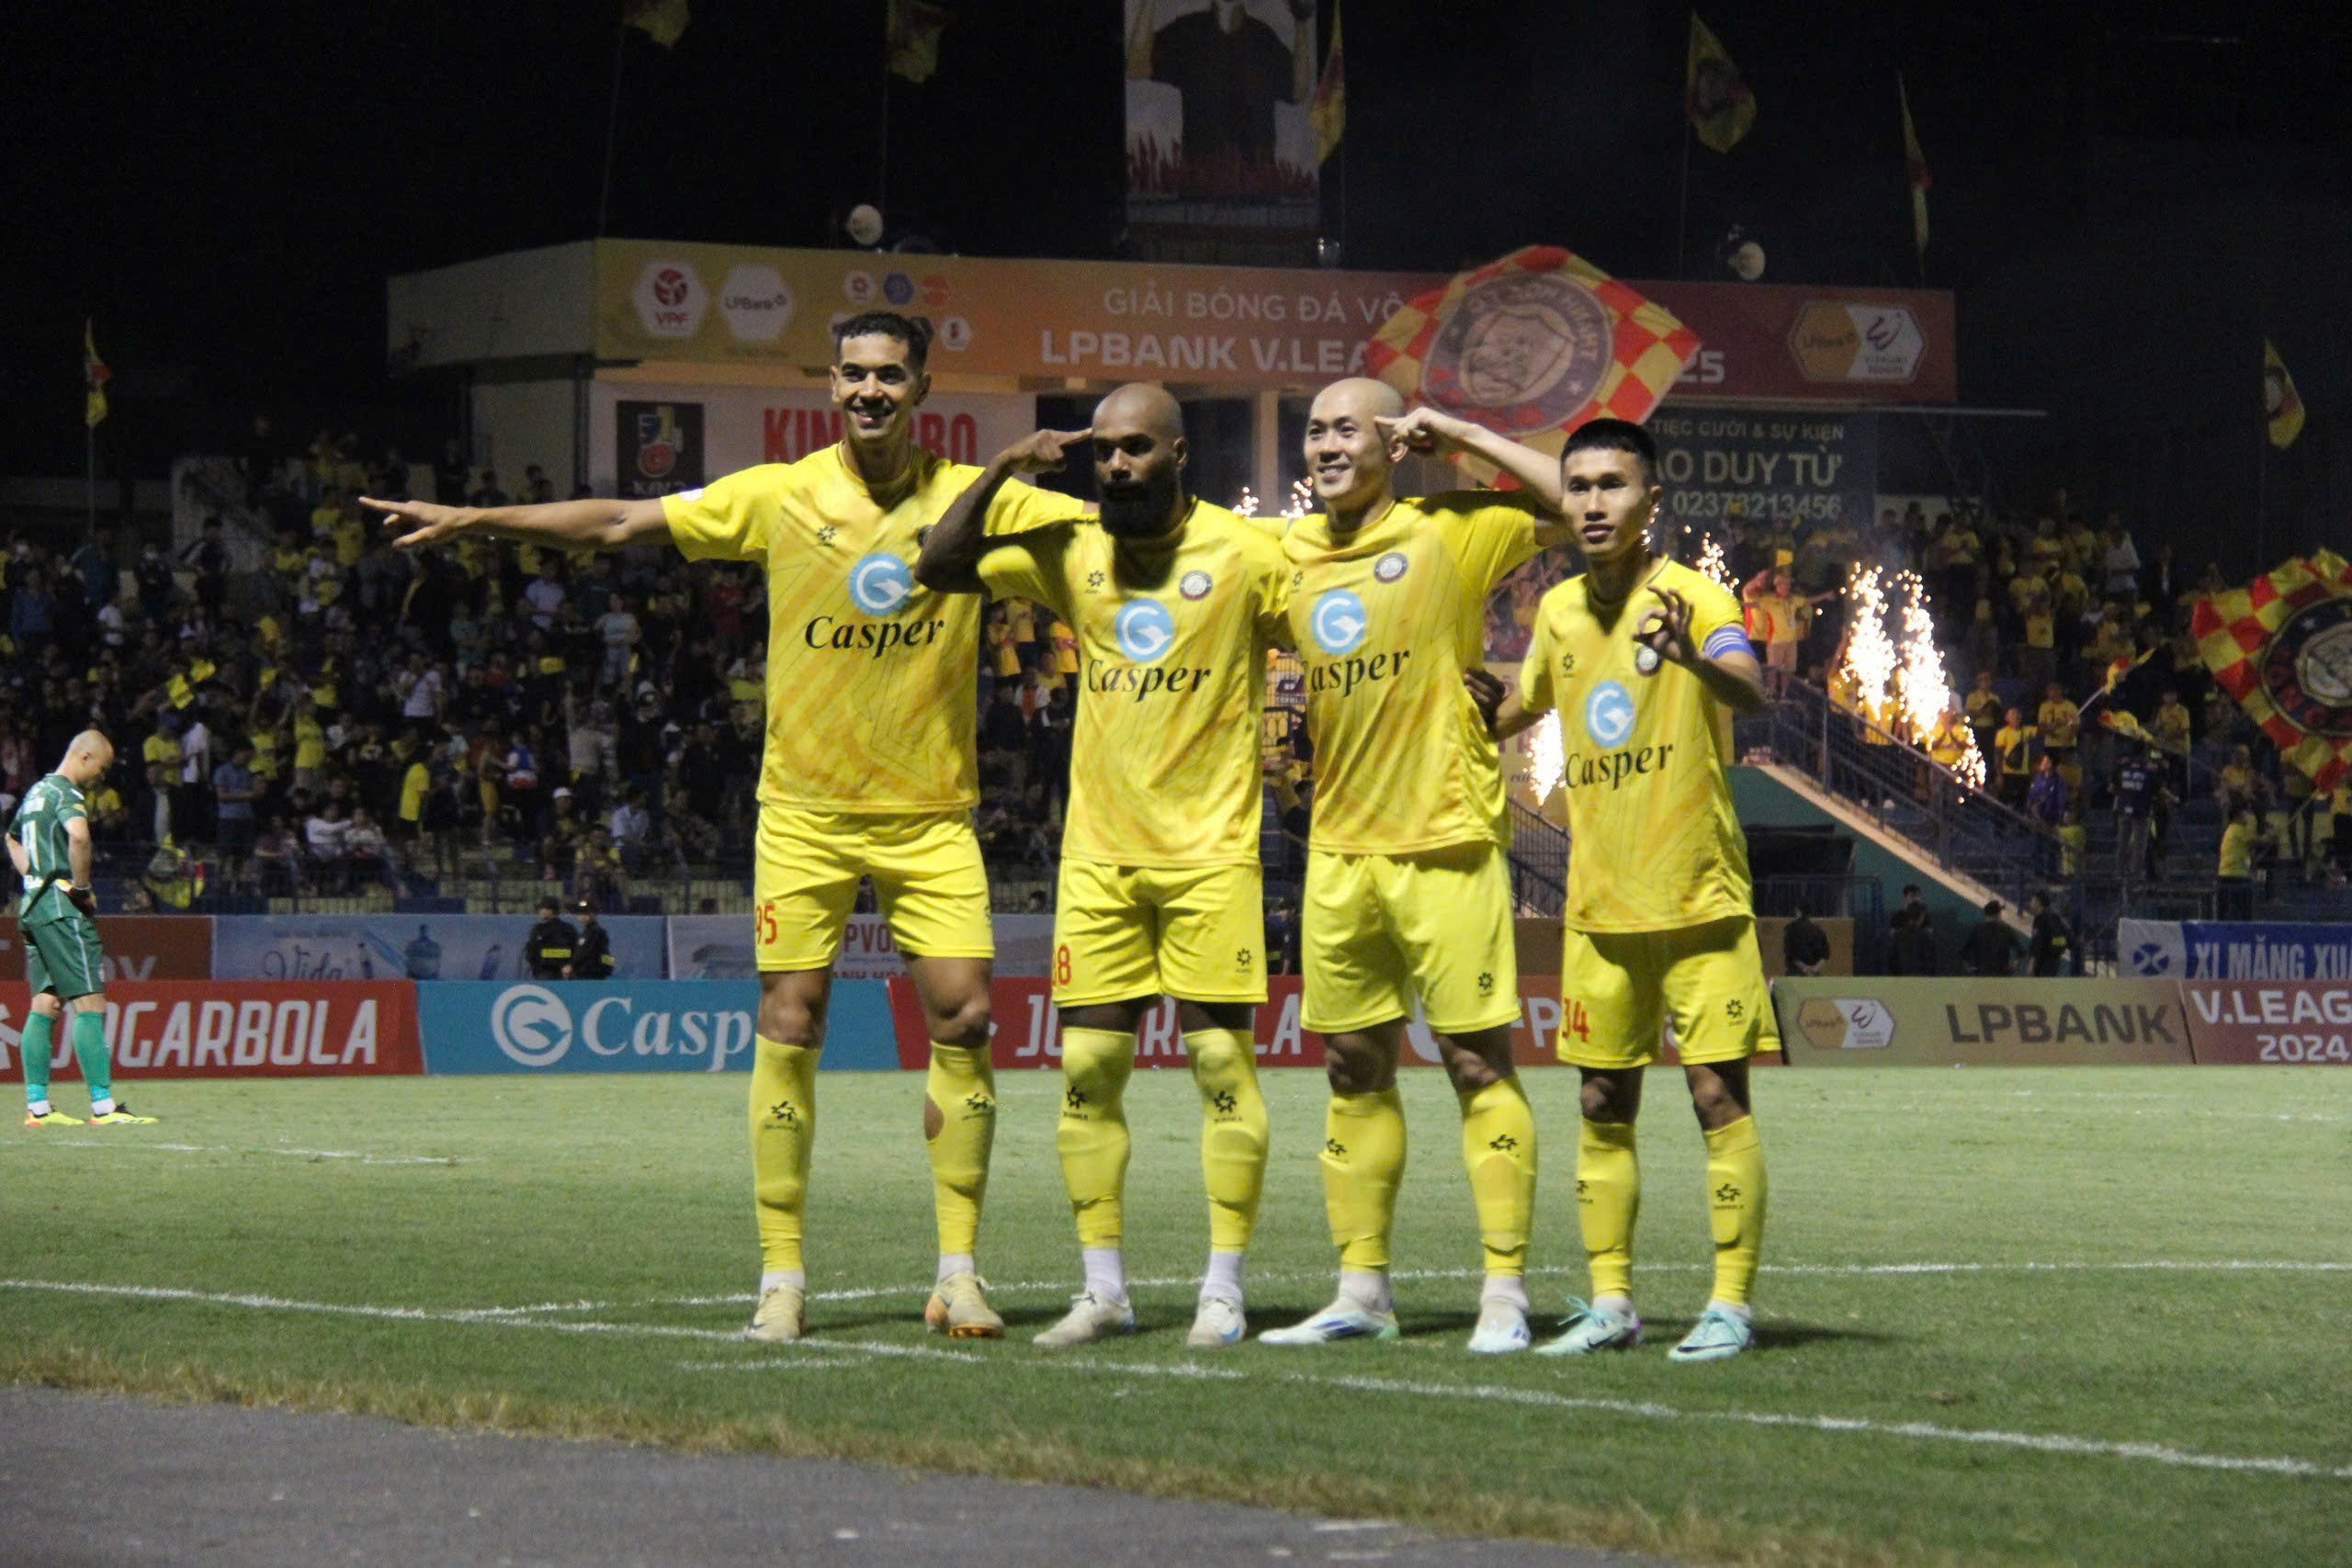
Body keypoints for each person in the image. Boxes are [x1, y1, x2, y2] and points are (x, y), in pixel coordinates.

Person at [366, 310, 1080, 1345]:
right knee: (790, 1023)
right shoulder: (782, 494)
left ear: (923, 387)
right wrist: (479, 520)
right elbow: (622, 521)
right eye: (854, 373)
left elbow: (1114, 534)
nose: (870, 390)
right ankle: (782, 1279)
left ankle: (958, 1273)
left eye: (890, 375)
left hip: (929, 816)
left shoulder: (980, 502)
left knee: (967, 1020)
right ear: (830, 383)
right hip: (804, 815)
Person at [918, 384, 1291, 1350]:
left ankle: (1223, 1289)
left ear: (1178, 454)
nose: (1117, 465)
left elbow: (1346, 629)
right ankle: (1104, 1291)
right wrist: (1004, 466)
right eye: (1105, 452)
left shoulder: (1249, 553)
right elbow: (939, 563)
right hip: (1098, 859)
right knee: (1086, 1071)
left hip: (1211, 855)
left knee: (1221, 1065)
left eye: (1135, 448)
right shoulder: (1071, 548)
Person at [1242, 381, 1573, 1354]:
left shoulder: (1448, 530)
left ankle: (1504, 1292)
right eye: (1314, 431)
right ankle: (1361, 1291)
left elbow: (1576, 499)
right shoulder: (1286, 551)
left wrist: (1462, 433)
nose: (1324, 446)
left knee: (1476, 1063)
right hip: (1340, 850)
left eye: (1346, 429)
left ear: (1392, 443)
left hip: (1445, 840)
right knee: (1352, 1068)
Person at [1490, 417, 1772, 1363]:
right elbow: (1521, 704)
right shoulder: (1557, 611)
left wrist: (1694, 657)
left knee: (1715, 1098)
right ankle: (1611, 1303)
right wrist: (1462, 706)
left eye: (1612, 485)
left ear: (1652, 499)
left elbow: (1750, 685)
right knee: (1601, 1102)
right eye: (1578, 487)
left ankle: (1729, 1305)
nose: (1593, 503)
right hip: (1600, 906)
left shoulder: (1696, 596)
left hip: (1697, 899)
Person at [6, 732, 157, 1127]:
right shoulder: (66, 793)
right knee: (90, 1002)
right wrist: (81, 888)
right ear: (84, 756)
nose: (99, 778)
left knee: (45, 1003)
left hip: (33, 908)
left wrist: (34, 877)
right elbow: (79, 835)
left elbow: (11, 837)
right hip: (62, 911)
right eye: (100, 769)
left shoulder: (36, 793)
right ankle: (103, 1107)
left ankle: (38, 1108)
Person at [1961, 900, 2025, 976]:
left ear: (1986, 914)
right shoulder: (2006, 930)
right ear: (1998, 914)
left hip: (1981, 974)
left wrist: (1969, 968)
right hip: (2001, 975)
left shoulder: (1977, 930)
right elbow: (2020, 951)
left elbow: (1964, 952)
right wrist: (2014, 966)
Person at [1886, 885, 1937, 976]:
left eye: (1918, 896)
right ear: (1904, 898)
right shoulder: (1897, 917)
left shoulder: (1925, 917)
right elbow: (1892, 935)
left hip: (1920, 963)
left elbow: (1929, 935)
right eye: (1912, 896)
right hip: (1902, 962)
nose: (1915, 899)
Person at [525, 897, 576, 981]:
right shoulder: (538, 929)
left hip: (560, 973)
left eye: (544, 908)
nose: (541, 911)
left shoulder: (566, 929)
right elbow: (531, 951)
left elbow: (572, 951)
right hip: (542, 972)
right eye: (540, 908)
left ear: (552, 910)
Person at [2027, 889, 2075, 976]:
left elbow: (2037, 943)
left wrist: (2031, 963)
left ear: (2038, 902)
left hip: (2041, 962)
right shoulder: (2056, 916)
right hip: (2055, 961)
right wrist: (2055, 945)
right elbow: (2069, 939)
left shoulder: (2040, 918)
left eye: (2032, 900)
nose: (2030, 903)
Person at [569, 899, 614, 979]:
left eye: (586, 913)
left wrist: (571, 965)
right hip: (587, 973)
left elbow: (585, 951)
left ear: (594, 914)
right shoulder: (584, 933)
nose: (582, 916)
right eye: (580, 914)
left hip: (592, 974)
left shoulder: (596, 932)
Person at [1781, 904, 1829, 976]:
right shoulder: (1819, 930)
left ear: (1798, 911)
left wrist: (1805, 968)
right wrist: (1815, 968)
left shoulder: (1790, 929)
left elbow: (1790, 954)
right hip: (1814, 974)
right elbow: (1825, 954)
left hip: (1795, 973)